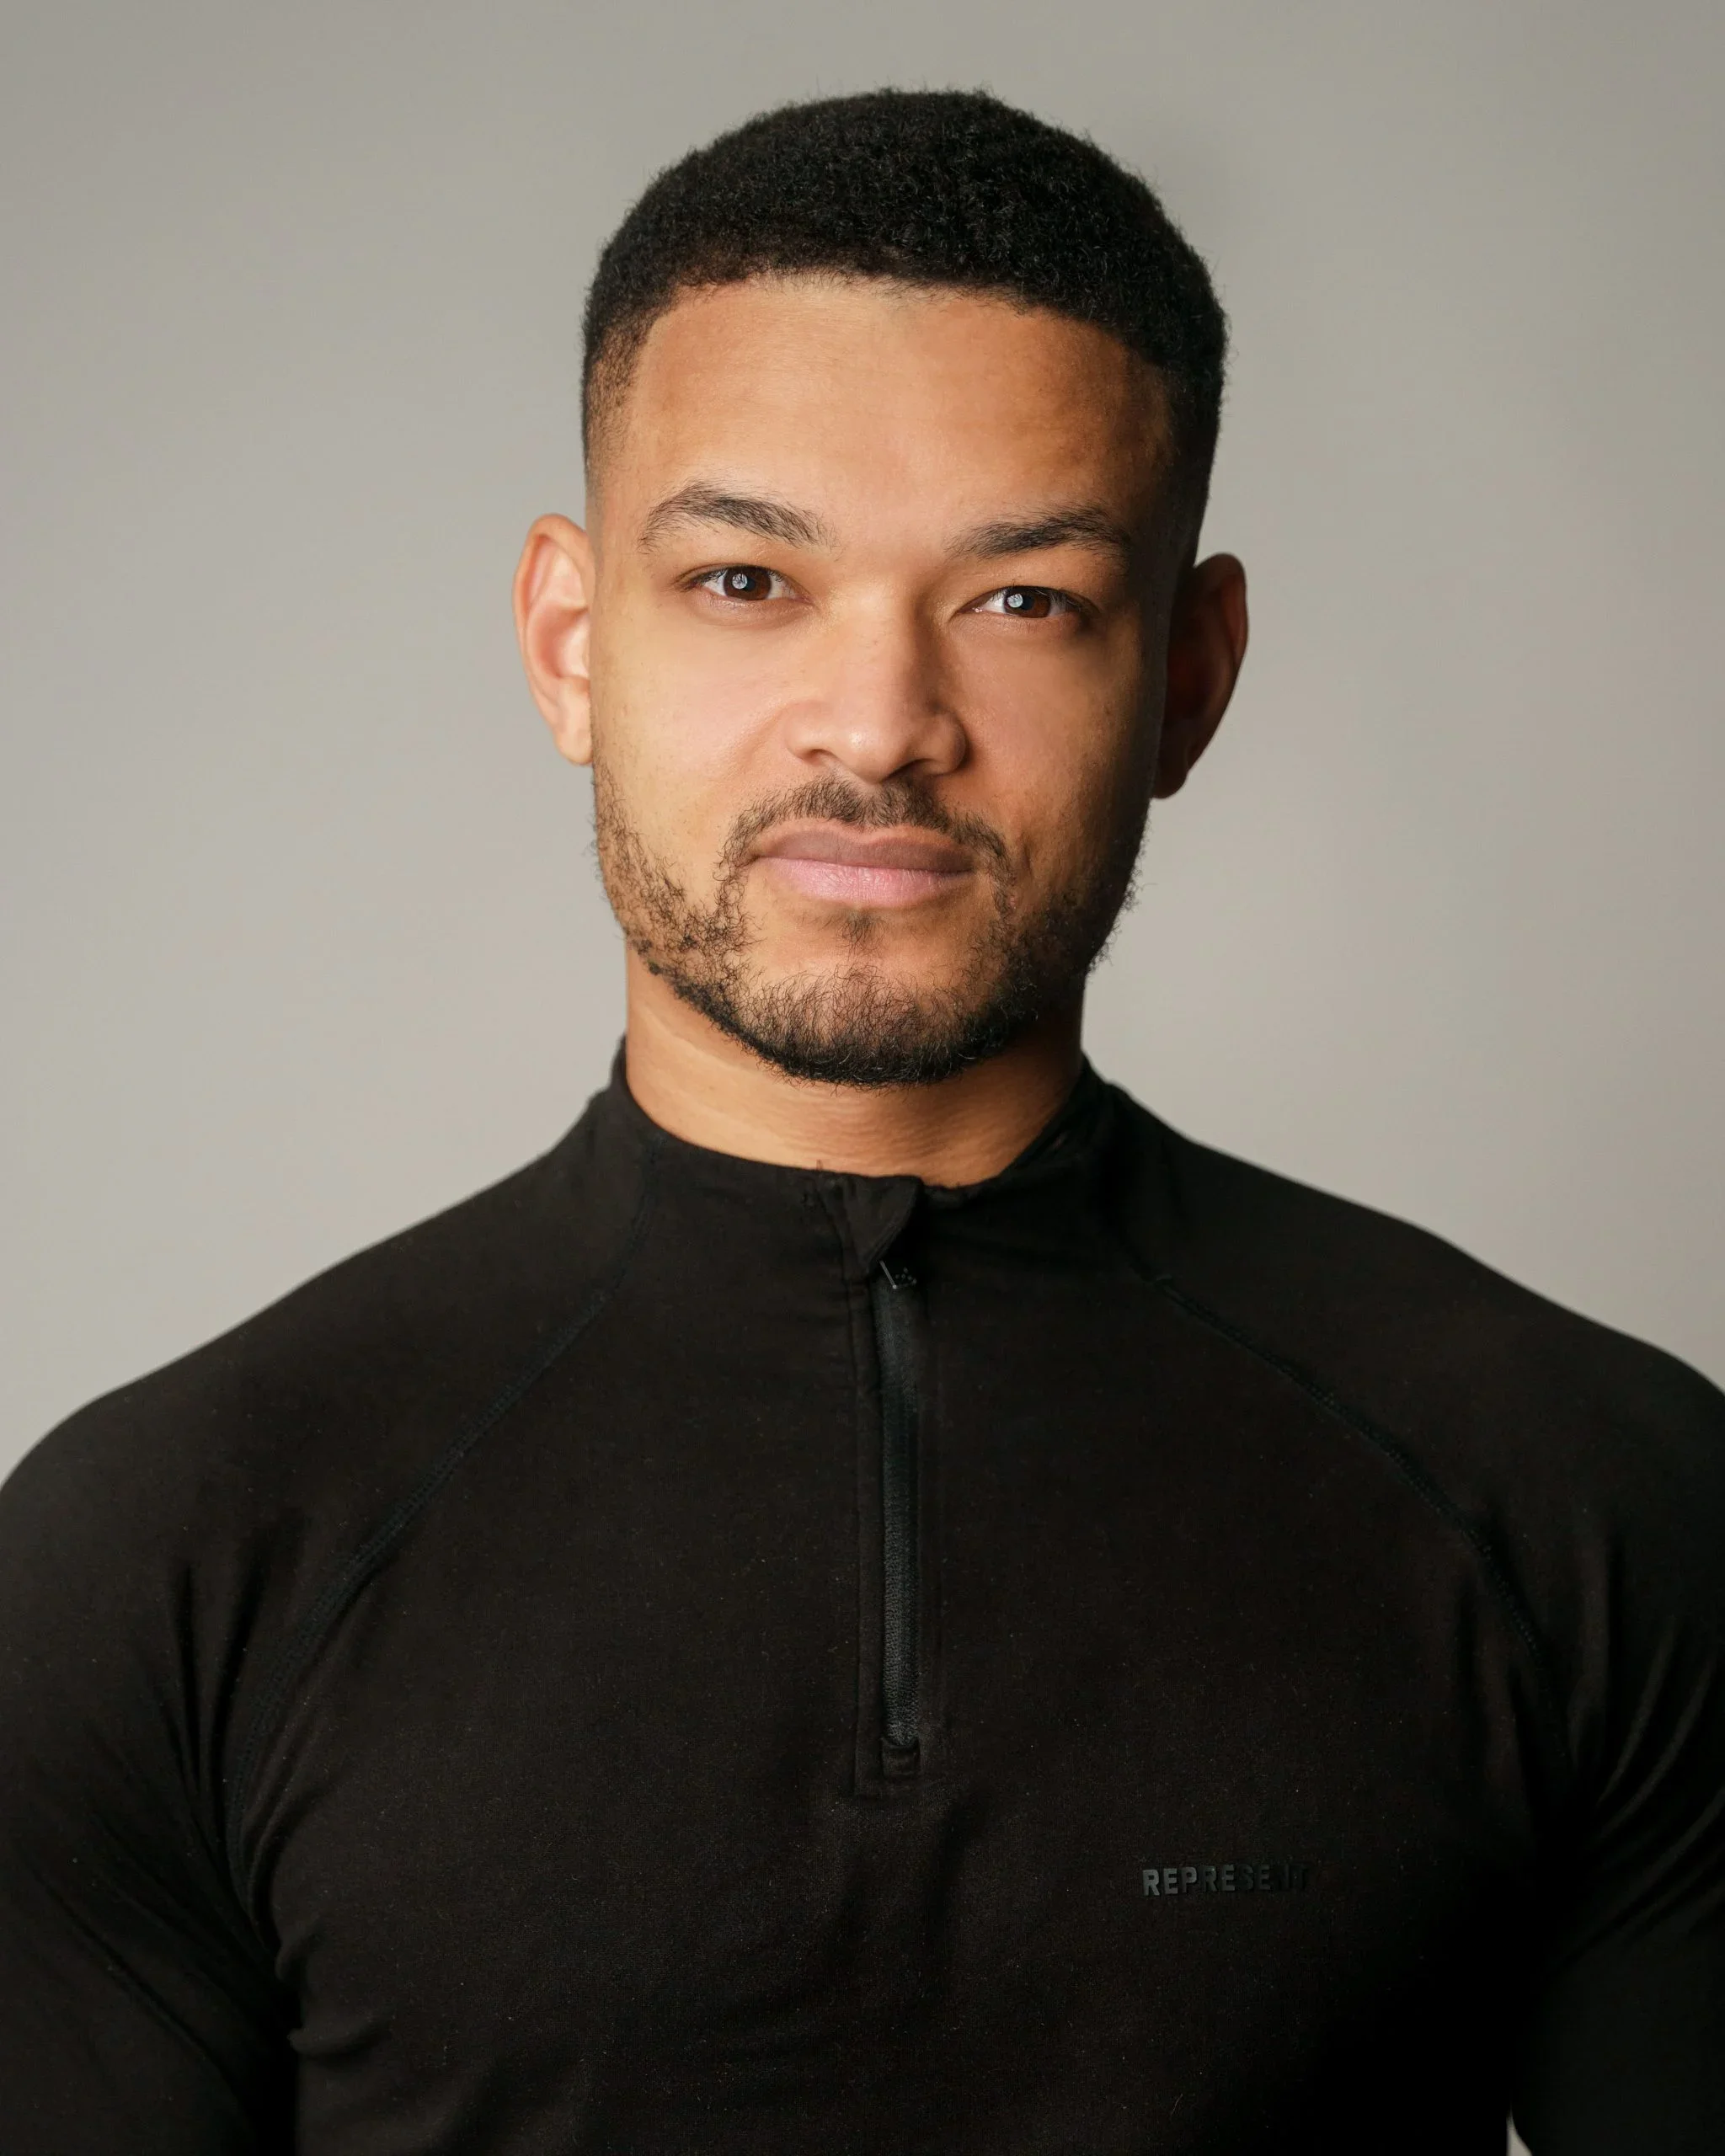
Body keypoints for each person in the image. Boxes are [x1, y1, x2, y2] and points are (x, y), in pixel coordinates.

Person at [2, 86, 1720, 2156]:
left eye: (1021, 601)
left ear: (1187, 673)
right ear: (569, 641)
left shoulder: (1593, 1497)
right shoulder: (162, 1557)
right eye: (745, 579)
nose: (879, 722)